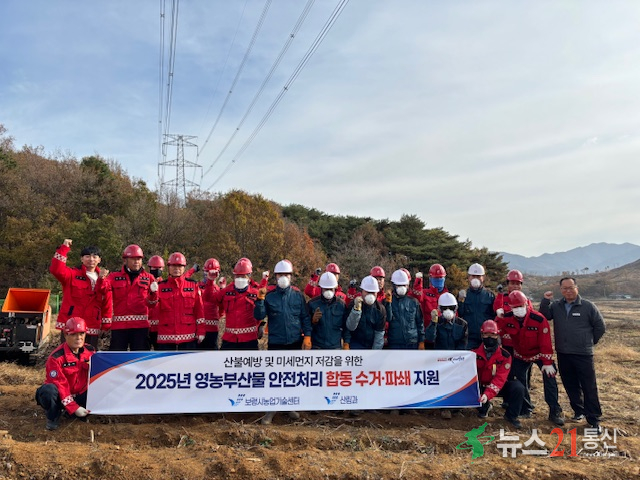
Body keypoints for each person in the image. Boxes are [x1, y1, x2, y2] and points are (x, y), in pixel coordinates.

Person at [539, 277, 606, 433]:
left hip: (583, 354)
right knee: (570, 384)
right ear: (561, 290)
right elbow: (545, 316)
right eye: (565, 288)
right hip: (563, 353)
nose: (568, 291)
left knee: (589, 386)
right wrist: (545, 301)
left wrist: (589, 342)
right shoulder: (557, 306)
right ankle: (578, 411)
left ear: (577, 288)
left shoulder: (588, 306)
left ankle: (594, 418)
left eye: (571, 287)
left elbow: (600, 327)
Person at [254, 259, 312, 424]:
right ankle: (271, 410)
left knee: (292, 377)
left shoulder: (298, 296)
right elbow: (259, 316)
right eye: (280, 275)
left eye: (286, 274)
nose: (283, 277)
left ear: (291, 276)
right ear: (276, 276)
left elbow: (305, 318)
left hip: (294, 342)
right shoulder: (269, 296)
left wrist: (307, 336)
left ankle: (288, 406)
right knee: (275, 378)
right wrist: (260, 300)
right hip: (276, 343)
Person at [498, 291, 564, 426]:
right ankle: (525, 408)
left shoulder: (538, 319)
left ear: (527, 304)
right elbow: (497, 330)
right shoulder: (507, 318)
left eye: (521, 306)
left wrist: (547, 362)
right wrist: (498, 317)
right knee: (519, 382)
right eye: (515, 307)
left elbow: (545, 342)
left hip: (540, 354)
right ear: (511, 307)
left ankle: (554, 410)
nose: (518, 309)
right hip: (520, 355)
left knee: (550, 379)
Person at [49, 239, 109, 348]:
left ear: (99, 260)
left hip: (92, 325)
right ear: (82, 259)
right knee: (68, 354)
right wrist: (64, 248)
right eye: (87, 256)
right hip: (70, 324)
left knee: (89, 355)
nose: (91, 259)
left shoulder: (105, 279)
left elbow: (107, 303)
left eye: (94, 256)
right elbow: (56, 270)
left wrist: (106, 325)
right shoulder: (72, 275)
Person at [35, 317, 93, 430]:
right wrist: (73, 407)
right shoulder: (56, 358)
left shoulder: (91, 352)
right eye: (74, 334)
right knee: (48, 391)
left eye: (82, 333)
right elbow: (60, 384)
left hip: (79, 395)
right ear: (65, 335)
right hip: (61, 396)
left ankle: (73, 413)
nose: (79, 338)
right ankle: (53, 415)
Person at [102, 244, 157, 351]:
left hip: (141, 328)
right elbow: (103, 290)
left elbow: (153, 304)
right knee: (117, 358)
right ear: (125, 260)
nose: (136, 262)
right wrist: (101, 280)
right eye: (133, 259)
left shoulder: (149, 278)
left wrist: (153, 294)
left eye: (139, 259)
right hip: (119, 327)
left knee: (140, 358)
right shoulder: (114, 277)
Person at [474, 320, 525, 429]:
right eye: (486, 334)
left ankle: (511, 416)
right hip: (480, 386)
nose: (489, 337)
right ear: (482, 335)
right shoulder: (473, 353)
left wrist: (488, 394)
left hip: (497, 386)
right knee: (481, 409)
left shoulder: (505, 356)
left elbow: (500, 379)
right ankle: (485, 406)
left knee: (518, 388)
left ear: (497, 335)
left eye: (492, 334)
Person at [426, 292, 468, 420]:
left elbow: (463, 344)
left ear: (456, 308)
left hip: (456, 359)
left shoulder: (462, 324)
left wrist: (454, 359)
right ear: (440, 309)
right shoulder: (437, 323)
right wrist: (433, 323)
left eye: (451, 308)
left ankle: (456, 407)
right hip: (439, 360)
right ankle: (444, 407)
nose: (448, 311)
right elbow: (430, 338)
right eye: (444, 308)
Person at [206, 257, 260, 350]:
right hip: (229, 340)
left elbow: (262, 312)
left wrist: (261, 325)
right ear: (234, 276)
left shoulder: (255, 293)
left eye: (243, 276)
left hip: (249, 340)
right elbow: (210, 299)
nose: (240, 279)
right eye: (237, 276)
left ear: (249, 277)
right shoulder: (226, 292)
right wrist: (211, 281)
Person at [155, 252, 205, 350]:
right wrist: (152, 293)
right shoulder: (160, 287)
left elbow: (199, 309)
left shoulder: (193, 285)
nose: (176, 269)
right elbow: (151, 305)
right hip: (166, 338)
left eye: (179, 266)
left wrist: (201, 330)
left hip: (188, 338)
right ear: (168, 267)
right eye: (173, 266)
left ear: (184, 267)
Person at [307, 272, 348, 350]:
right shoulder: (312, 304)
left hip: (335, 347)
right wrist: (313, 321)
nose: (329, 291)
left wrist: (346, 342)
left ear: (335, 288)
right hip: (317, 347)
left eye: (331, 289)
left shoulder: (341, 305)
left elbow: (346, 327)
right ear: (321, 288)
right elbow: (305, 325)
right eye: (326, 289)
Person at [344, 276, 386, 350]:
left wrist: (375, 353)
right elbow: (350, 327)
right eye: (368, 292)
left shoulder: (380, 309)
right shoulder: (353, 304)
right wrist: (356, 311)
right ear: (362, 291)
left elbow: (379, 335)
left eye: (373, 292)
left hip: (371, 345)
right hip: (355, 344)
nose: (370, 295)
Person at [459, 263, 495, 349]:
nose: (475, 279)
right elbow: (459, 314)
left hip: (486, 337)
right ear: (469, 277)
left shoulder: (490, 295)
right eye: (473, 276)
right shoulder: (463, 295)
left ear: (483, 277)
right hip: (469, 338)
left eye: (478, 276)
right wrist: (460, 301)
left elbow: (494, 316)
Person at [386, 270, 425, 350]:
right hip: (395, 343)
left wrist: (421, 341)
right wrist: (388, 303)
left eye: (404, 285)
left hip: (412, 343)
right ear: (394, 285)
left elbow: (420, 323)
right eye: (399, 285)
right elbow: (388, 319)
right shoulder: (388, 301)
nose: (402, 288)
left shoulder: (413, 302)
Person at [412, 263, 448, 348]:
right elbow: (416, 297)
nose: (439, 280)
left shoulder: (447, 296)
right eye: (436, 278)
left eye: (441, 278)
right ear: (430, 279)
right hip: (428, 337)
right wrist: (418, 282)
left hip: (444, 338)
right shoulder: (425, 293)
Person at [198, 257, 225, 350]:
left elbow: (222, 308)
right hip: (199, 328)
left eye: (214, 273)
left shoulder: (218, 289)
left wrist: (223, 290)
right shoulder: (198, 286)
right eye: (207, 272)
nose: (210, 275)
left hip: (212, 329)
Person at [147, 255, 165, 350]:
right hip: (146, 326)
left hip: (160, 328)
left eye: (159, 268)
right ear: (150, 268)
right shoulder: (145, 283)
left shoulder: (165, 285)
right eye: (154, 268)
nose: (157, 270)